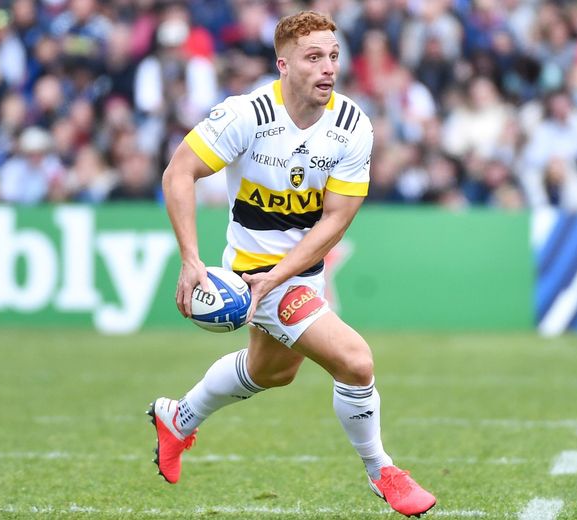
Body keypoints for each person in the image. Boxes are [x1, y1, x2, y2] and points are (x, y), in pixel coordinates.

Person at [150, 11, 436, 518]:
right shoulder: (246, 115)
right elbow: (179, 173)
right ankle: (382, 470)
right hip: (250, 274)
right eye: (313, 57)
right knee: (356, 361)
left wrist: (280, 276)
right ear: (283, 65)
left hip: (292, 274)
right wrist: (191, 260)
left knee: (270, 372)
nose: (328, 68)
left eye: (333, 56)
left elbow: (336, 220)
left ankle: (179, 417)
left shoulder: (352, 126)